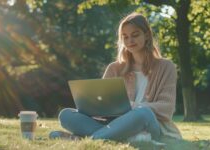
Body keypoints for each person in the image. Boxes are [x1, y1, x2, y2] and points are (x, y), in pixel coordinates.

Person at [50, 12, 182, 142]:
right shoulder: (114, 68)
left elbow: (167, 108)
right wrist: (91, 106)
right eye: (125, 37)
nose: (130, 41)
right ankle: (117, 137)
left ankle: (87, 139)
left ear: (147, 35)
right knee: (66, 115)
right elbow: (101, 105)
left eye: (135, 35)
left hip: (148, 123)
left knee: (143, 112)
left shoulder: (166, 67)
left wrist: (133, 106)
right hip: (112, 124)